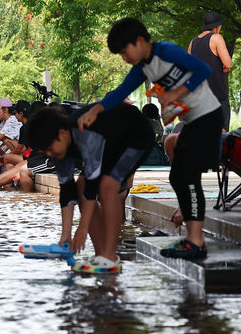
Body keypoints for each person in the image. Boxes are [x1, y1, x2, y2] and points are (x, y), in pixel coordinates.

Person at [78, 17, 222, 260]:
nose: (124, 57)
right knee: (178, 175)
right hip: (192, 121)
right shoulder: (142, 68)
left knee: (185, 175)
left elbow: (203, 69)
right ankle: (194, 240)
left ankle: (196, 241)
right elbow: (121, 92)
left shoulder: (167, 51)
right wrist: (95, 110)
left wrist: (177, 92)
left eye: (125, 51)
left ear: (140, 41)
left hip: (208, 115)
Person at [29, 103, 153, 272]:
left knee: (107, 187)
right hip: (109, 144)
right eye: (45, 152)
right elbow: (67, 191)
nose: (49, 154)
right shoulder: (59, 150)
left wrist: (83, 227)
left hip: (136, 136)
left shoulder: (84, 134)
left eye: (50, 149)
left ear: (63, 134)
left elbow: (93, 186)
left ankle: (110, 257)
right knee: (80, 186)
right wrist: (66, 235)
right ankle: (101, 254)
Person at [188, 11, 233, 130]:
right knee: (220, 135)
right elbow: (228, 63)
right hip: (217, 96)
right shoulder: (216, 38)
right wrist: (224, 65)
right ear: (217, 26)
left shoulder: (193, 42)